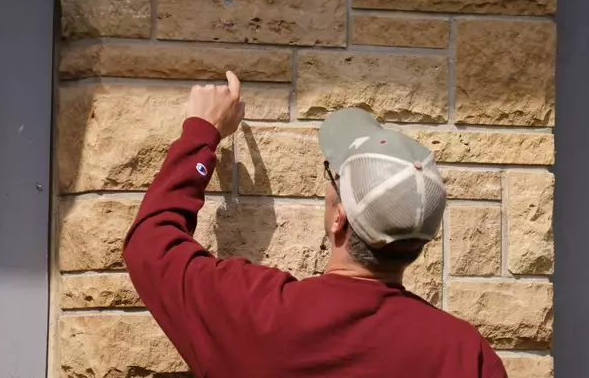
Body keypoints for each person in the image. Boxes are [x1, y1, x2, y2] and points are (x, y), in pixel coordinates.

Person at [123, 71, 508, 378]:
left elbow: (150, 245)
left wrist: (201, 133)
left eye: (334, 175)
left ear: (339, 217)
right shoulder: (465, 355)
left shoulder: (261, 315)